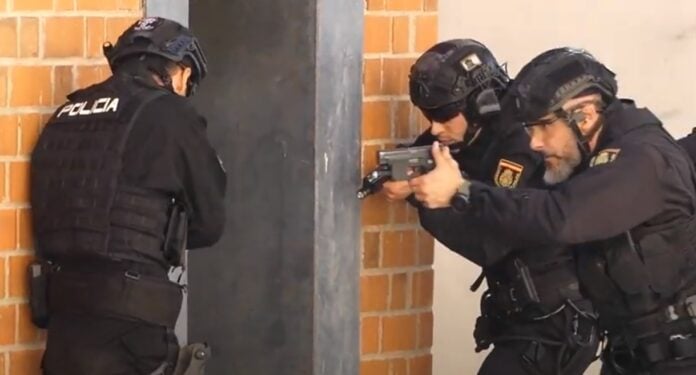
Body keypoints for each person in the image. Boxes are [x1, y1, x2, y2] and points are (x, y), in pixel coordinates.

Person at [410, 47, 696, 375]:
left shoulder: (641, 159)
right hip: (633, 356)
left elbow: (558, 216)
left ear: (584, 116)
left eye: (544, 127)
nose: (534, 143)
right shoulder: (599, 156)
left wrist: (460, 192)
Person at [381, 39, 598, 375]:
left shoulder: (521, 146)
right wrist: (404, 165)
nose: (435, 127)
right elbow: (433, 146)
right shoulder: (475, 130)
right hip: (525, 321)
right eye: (429, 116)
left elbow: (489, 240)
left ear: (480, 104)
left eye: (443, 115)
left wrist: (422, 195)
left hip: (553, 324)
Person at [29, 17, 226, 375]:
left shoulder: (64, 115)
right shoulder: (170, 113)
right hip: (131, 319)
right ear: (179, 72)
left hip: (64, 316)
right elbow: (209, 223)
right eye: (188, 79)